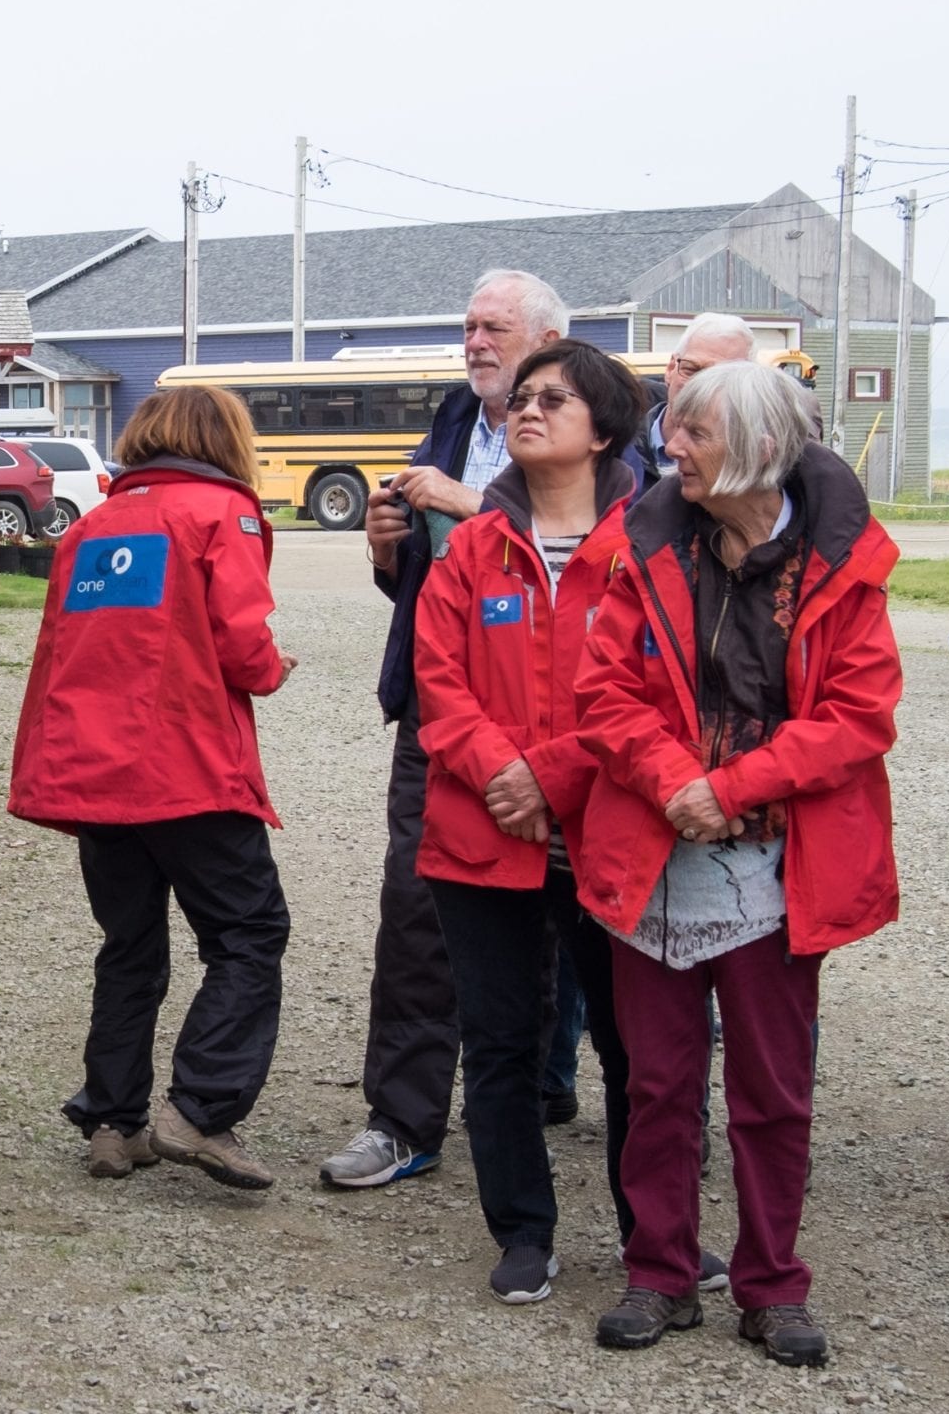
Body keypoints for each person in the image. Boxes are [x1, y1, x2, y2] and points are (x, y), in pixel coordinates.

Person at [576, 362, 902, 1366]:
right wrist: (678, 777)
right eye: (673, 430)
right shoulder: (642, 547)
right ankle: (659, 1271)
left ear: (758, 445)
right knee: (658, 1082)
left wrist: (729, 788)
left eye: (693, 432)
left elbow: (857, 715)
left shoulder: (842, 567)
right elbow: (601, 693)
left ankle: (769, 1282)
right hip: (654, 854)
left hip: (775, 867)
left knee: (770, 1091)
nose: (669, 448)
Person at [10, 385, 298, 1190]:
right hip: (185, 768)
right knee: (249, 934)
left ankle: (114, 1119)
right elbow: (242, 644)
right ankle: (199, 1110)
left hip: (94, 770)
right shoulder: (221, 514)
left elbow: (62, 650)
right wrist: (273, 669)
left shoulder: (94, 525)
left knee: (129, 945)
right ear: (224, 441)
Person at [410, 340, 647, 1302]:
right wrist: (504, 772)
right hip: (481, 837)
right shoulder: (472, 547)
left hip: (610, 837)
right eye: (522, 398)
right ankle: (522, 1233)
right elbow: (438, 681)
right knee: (501, 1044)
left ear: (604, 428)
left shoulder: (649, 546)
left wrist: (551, 777)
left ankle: (654, 1234)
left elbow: (652, 697)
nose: (526, 410)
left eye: (555, 399)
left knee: (637, 1052)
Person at [321, 270, 569, 1190]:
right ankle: (403, 1119)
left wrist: (474, 509)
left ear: (544, 338)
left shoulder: (588, 425)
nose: (474, 342)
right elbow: (426, 581)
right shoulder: (454, 422)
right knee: (417, 912)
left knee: (553, 917)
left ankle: (529, 1103)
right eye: (467, 327)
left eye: (493, 327)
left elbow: (609, 544)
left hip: (556, 716)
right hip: (441, 706)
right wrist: (391, 547)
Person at [635, 314, 757, 478]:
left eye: (720, 378)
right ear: (671, 369)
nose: (700, 386)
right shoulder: (615, 449)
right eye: (691, 370)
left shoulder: (757, 465)